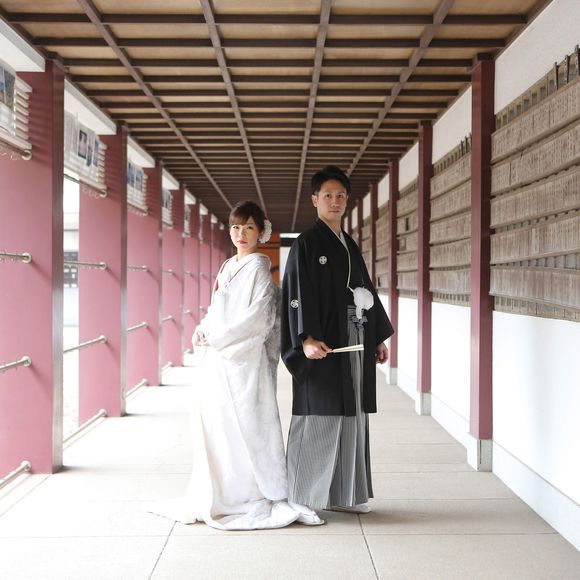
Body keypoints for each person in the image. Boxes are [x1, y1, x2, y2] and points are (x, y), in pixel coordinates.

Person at [151, 201, 302, 530]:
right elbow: (216, 309)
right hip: (220, 357)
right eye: (236, 227)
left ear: (260, 232)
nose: (241, 233)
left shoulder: (258, 268)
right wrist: (203, 328)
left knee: (244, 425)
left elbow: (258, 318)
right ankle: (223, 490)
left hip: (243, 360)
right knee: (219, 426)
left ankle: (248, 492)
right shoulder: (227, 266)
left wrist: (218, 336)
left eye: (248, 227)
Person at [281, 165, 394, 524]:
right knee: (319, 416)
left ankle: (346, 494)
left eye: (340, 195)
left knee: (351, 416)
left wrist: (376, 337)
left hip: (353, 339)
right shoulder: (305, 243)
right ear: (314, 200)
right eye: (327, 195)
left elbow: (366, 290)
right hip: (323, 343)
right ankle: (300, 496)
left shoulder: (348, 243)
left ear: (347, 200)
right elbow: (296, 293)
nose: (334, 201)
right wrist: (304, 338)